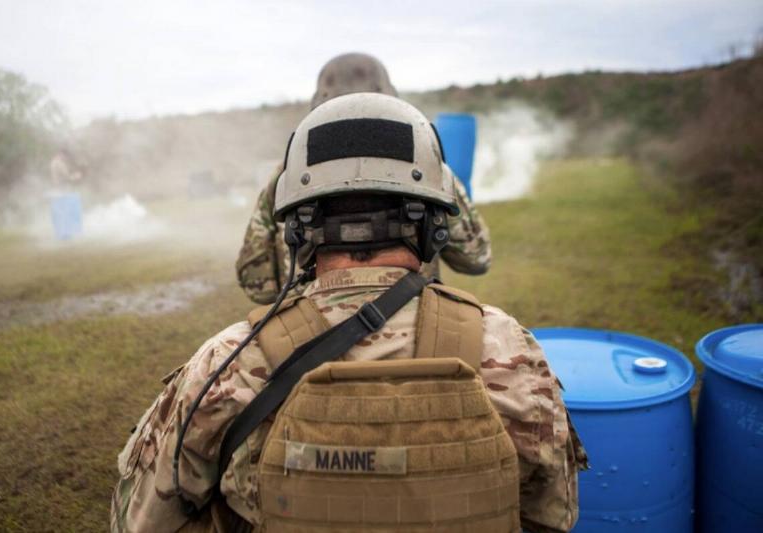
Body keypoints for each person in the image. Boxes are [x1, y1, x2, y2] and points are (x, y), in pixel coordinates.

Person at [111, 93, 587, 533]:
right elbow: (550, 516)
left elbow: (141, 521)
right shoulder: (510, 350)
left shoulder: (229, 363)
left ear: (298, 232)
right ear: (433, 229)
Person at [236, 52, 491, 305]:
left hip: (308, 335)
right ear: (390, 100)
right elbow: (475, 257)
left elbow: (257, 285)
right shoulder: (422, 160)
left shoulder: (288, 174)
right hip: (415, 326)